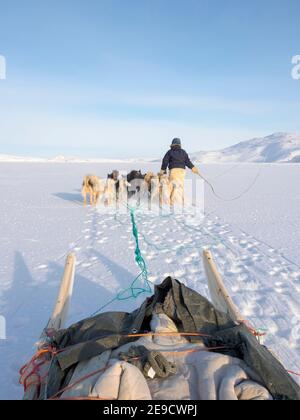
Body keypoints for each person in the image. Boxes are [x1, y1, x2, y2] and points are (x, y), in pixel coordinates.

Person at [160, 138, 200, 205]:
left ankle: (170, 201)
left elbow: (165, 161)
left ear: (172, 144)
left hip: (173, 171)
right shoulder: (183, 152)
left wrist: (163, 170)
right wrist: (193, 168)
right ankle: (182, 201)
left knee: (172, 186)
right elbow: (187, 161)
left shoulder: (169, 152)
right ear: (180, 144)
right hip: (182, 172)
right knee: (180, 186)